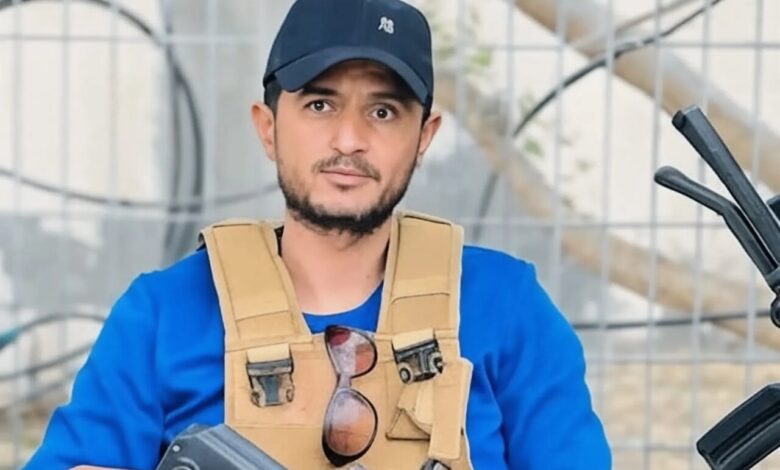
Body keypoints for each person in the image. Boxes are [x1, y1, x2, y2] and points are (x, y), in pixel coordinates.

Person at [25, 0, 611, 468]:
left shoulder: (507, 306)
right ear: (268, 127)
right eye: (320, 105)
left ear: (424, 137)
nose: (350, 139)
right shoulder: (162, 313)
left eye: (383, 112)